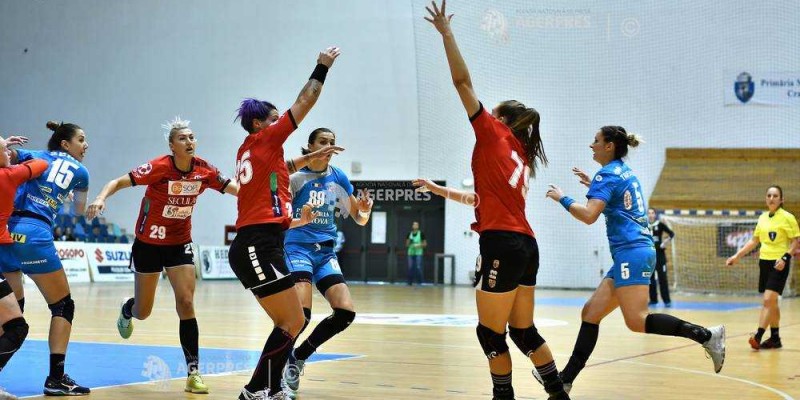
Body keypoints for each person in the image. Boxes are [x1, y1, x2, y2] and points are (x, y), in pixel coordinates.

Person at [423, 2, 568, 399]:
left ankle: (503, 396)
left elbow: (462, 83)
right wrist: (440, 190)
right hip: (526, 243)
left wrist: (447, 35)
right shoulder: (520, 153)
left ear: (500, 119)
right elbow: (479, 198)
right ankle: (558, 393)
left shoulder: (493, 133)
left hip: (502, 242)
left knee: (490, 333)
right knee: (523, 331)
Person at [544, 126, 725, 393]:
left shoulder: (607, 175)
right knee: (591, 312)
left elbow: (589, 215)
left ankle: (707, 335)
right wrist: (594, 184)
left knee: (636, 320)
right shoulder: (622, 171)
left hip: (632, 251)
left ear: (609, 146)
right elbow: (618, 199)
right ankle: (566, 379)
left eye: (596, 141)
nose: (591, 145)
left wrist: (563, 198)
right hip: (632, 252)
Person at [85, 117, 239, 394]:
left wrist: (261, 199)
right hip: (148, 244)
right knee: (143, 312)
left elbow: (234, 189)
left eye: (192, 137)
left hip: (179, 243)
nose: (189, 141)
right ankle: (127, 309)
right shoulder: (158, 167)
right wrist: (100, 198)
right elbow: (118, 181)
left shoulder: (204, 170)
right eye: (182, 138)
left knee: (186, 303)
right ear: (172, 146)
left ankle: (193, 374)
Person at [228, 46, 340, 400]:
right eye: (275, 120)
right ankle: (253, 390)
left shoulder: (250, 148)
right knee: (292, 321)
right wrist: (322, 67)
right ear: (260, 124)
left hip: (260, 243)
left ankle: (273, 388)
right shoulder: (267, 138)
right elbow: (306, 100)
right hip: (257, 245)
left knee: (291, 322)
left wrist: (311, 157)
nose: (281, 124)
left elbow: (282, 168)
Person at [280, 128, 372, 398]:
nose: (329, 146)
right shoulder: (295, 179)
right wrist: (301, 221)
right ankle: (276, 369)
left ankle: (298, 357)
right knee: (301, 316)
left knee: (345, 313)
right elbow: (280, 220)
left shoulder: (338, 177)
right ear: (310, 146)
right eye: (323, 142)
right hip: (298, 248)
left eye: (332, 142)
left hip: (325, 254)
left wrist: (365, 210)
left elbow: (359, 219)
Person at [1, 121, 91, 395]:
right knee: (63, 306)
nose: (85, 145)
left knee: (12, 315)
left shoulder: (34, 155)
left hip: (5, 233)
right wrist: (64, 196)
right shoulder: (81, 172)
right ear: (65, 143)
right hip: (34, 234)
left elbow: (6, 157)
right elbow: (78, 212)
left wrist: (6, 145)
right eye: (81, 140)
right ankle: (56, 378)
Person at [0, 135, 49, 399]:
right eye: (5, 150)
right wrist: (21, 155)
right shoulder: (8, 175)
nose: (10, 152)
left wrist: (3, 146)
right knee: (16, 326)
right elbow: (41, 165)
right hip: (2, 252)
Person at [726, 185, 799, 350]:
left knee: (767, 300)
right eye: (769, 195)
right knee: (772, 302)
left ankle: (758, 336)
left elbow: (795, 242)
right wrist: (737, 256)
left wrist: (785, 258)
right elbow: (754, 241)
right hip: (764, 263)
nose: (771, 198)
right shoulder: (762, 218)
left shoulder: (788, 217)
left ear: (781, 199)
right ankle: (775, 338)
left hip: (779, 264)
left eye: (775, 196)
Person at [647, 208, 674, 307]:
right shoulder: (644, 226)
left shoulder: (660, 225)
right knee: (650, 279)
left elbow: (671, 234)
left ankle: (667, 301)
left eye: (652, 213)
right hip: (649, 256)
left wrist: (664, 243)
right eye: (649, 213)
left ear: (655, 215)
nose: (651, 215)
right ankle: (653, 300)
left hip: (660, 255)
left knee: (663, 278)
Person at [405, 221, 426, 286]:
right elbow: (406, 244)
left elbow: (425, 244)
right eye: (414, 225)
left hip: (418, 253)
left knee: (418, 267)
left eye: (416, 225)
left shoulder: (421, 234)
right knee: (410, 267)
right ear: (412, 226)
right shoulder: (409, 234)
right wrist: (409, 241)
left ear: (418, 226)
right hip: (410, 253)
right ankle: (409, 282)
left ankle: (420, 282)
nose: (415, 226)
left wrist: (419, 245)